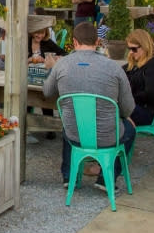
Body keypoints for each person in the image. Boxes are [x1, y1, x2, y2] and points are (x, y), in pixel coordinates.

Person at [42, 22, 136, 191]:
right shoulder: (114, 67)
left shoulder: (61, 65)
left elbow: (47, 92)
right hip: (108, 136)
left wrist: (51, 69)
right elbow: (128, 108)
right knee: (130, 128)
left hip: (74, 134)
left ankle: (69, 177)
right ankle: (106, 179)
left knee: (70, 123)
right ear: (98, 41)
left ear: (74, 42)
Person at [123, 29, 154, 126]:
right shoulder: (140, 62)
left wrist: (127, 99)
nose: (131, 52)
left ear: (144, 47)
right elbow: (121, 73)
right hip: (143, 107)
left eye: (134, 49)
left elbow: (150, 94)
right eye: (129, 49)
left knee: (113, 110)